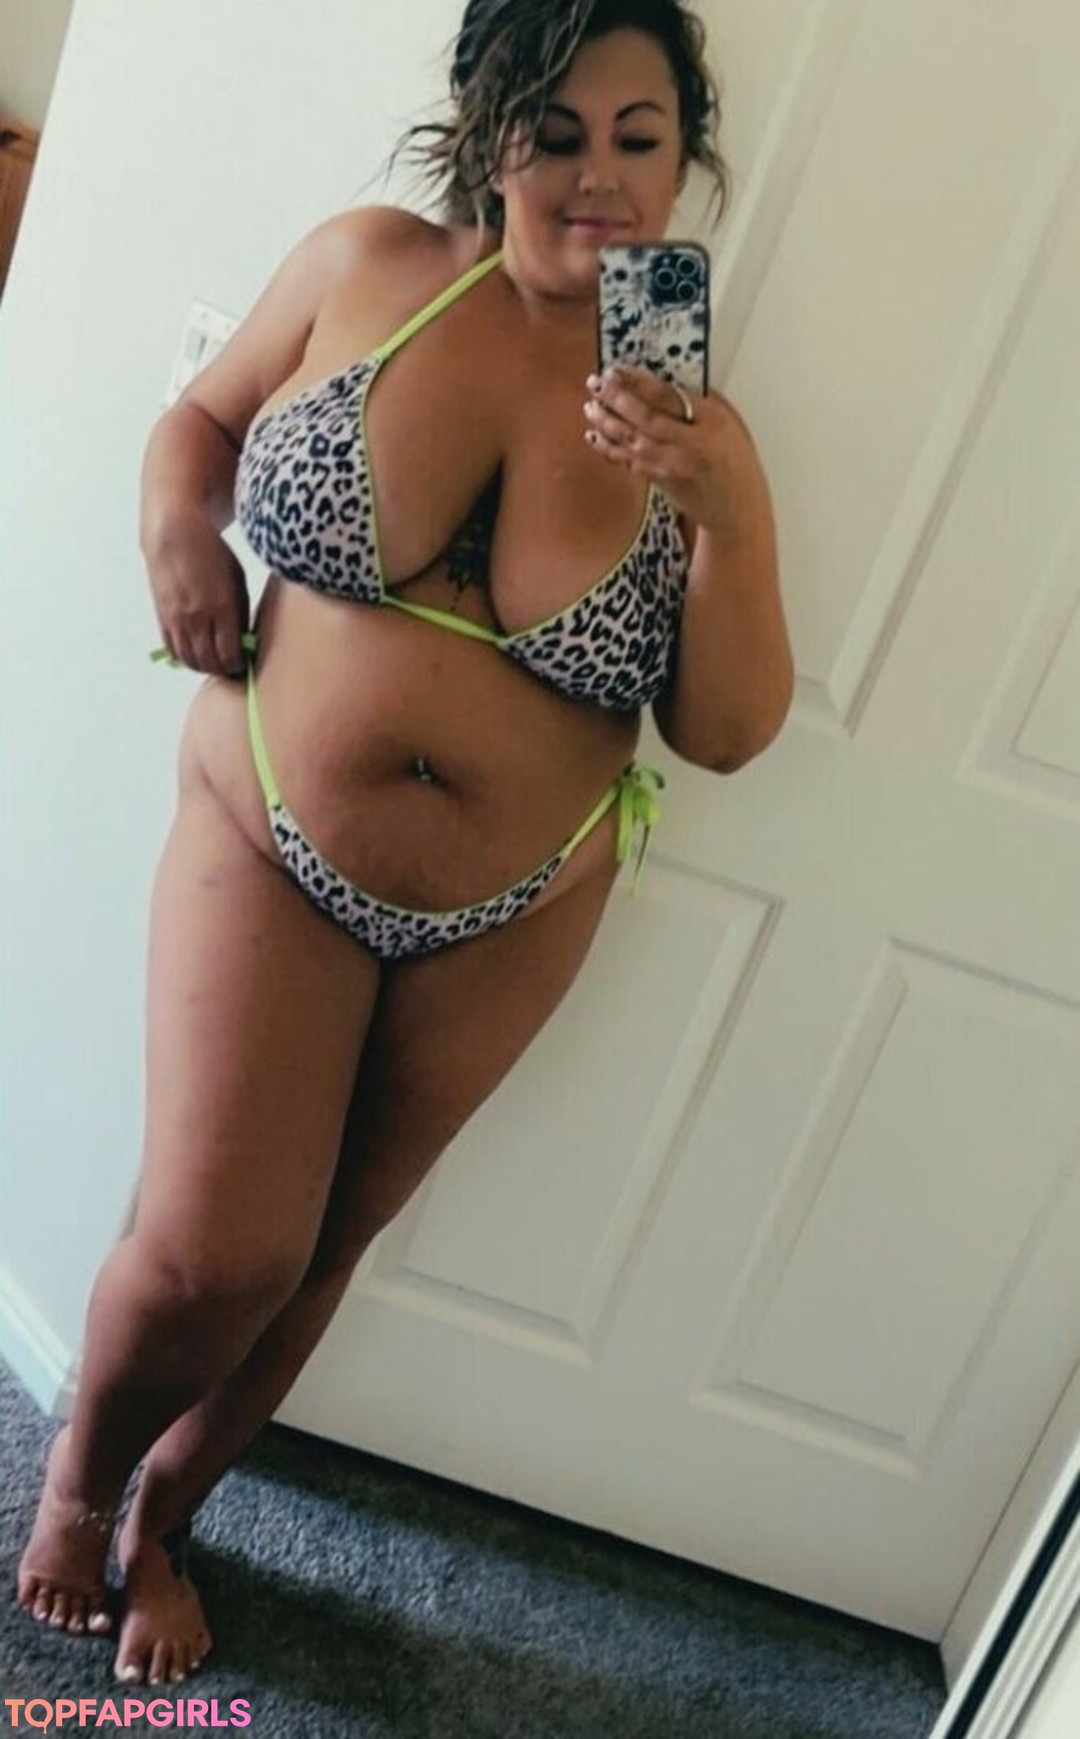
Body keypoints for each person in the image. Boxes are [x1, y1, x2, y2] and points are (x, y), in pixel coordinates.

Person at [16, 0, 792, 1688]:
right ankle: (75, 1486)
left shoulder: (685, 416)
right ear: (488, 127)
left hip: (518, 905)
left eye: (641, 139)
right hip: (267, 823)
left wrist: (729, 513)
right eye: (557, 133)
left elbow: (727, 731)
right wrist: (176, 531)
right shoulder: (368, 264)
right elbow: (200, 423)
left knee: (323, 1250)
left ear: (688, 157)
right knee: (222, 1248)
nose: (600, 180)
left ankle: (168, 1523)